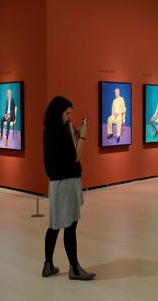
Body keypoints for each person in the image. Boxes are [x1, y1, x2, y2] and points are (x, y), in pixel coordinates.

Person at [42, 96, 96, 281]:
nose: (69, 117)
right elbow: (75, 156)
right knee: (71, 225)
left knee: (55, 225)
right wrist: (83, 135)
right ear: (58, 113)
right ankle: (74, 268)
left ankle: (48, 264)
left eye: (70, 113)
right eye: (67, 113)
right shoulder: (59, 132)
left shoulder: (49, 130)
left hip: (57, 183)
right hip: (66, 182)